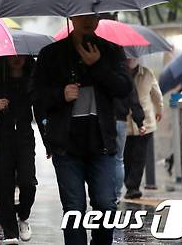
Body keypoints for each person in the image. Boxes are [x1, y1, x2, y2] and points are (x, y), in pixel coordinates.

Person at [34, 14, 132, 245]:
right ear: (71, 16)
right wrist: (61, 94)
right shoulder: (51, 54)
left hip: (102, 144)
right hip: (67, 147)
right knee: (74, 208)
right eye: (83, 14)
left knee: (106, 205)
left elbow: (124, 88)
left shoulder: (111, 51)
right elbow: (36, 96)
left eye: (94, 14)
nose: (89, 20)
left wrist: (98, 66)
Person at [0, 56, 38, 243]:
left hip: (24, 137)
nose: (17, 59)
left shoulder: (33, 76)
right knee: (4, 187)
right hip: (0, 138)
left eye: (21, 55)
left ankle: (23, 215)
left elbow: (43, 103)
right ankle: (10, 232)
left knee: (28, 182)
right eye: (13, 55)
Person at [124, 58, 163, 200]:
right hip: (126, 122)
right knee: (127, 156)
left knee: (139, 156)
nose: (130, 59)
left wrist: (159, 109)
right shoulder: (120, 73)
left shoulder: (147, 73)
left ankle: (133, 187)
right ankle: (129, 184)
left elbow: (156, 94)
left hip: (145, 122)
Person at [113, 63, 145, 203]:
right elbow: (133, 97)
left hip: (101, 121)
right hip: (120, 120)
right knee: (119, 160)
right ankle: (116, 195)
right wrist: (140, 122)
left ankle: (104, 192)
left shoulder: (98, 68)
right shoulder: (123, 71)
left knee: (103, 160)